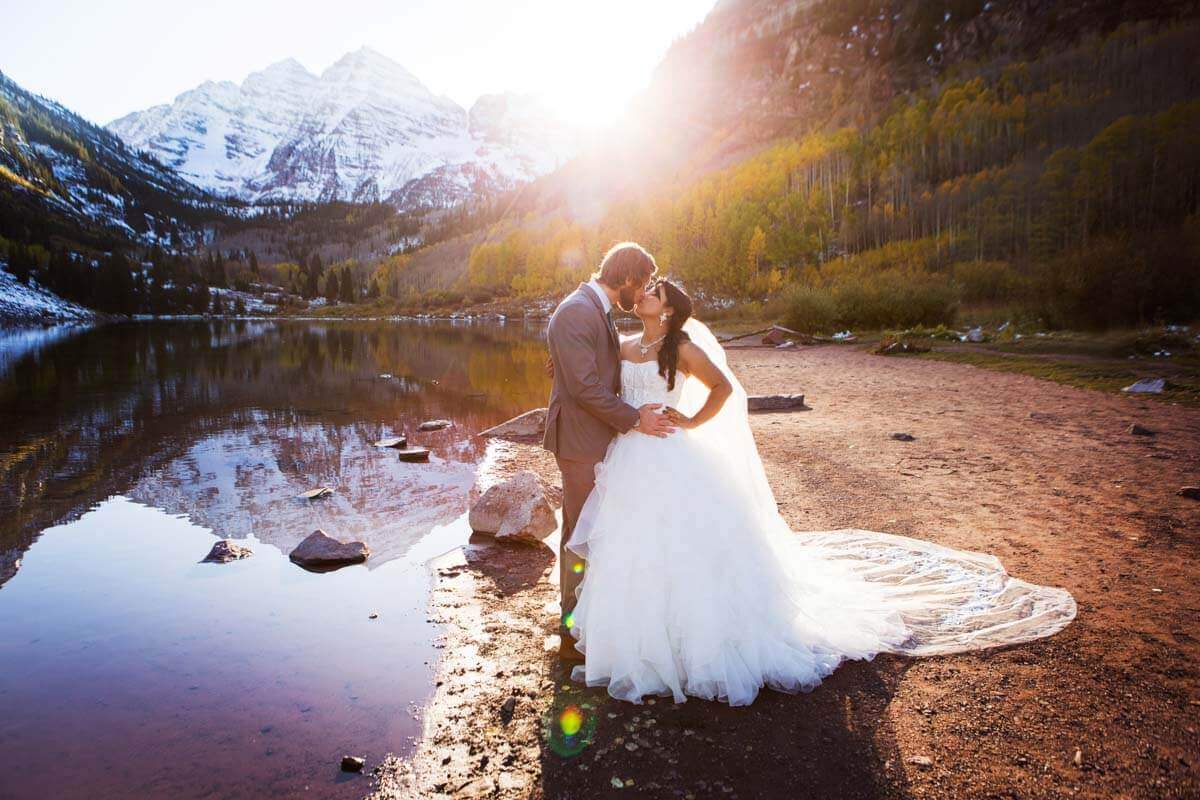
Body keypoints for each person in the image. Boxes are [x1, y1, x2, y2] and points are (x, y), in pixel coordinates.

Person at [561, 272, 1077, 707]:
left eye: (655, 290)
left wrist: (692, 422)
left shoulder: (685, 349)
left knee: (688, 549)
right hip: (630, 459)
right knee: (634, 549)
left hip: (672, 455)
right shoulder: (625, 345)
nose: (645, 292)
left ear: (669, 310)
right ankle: (640, 643)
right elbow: (595, 380)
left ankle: (692, 648)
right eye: (647, 287)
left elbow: (723, 389)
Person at [543, 242, 676, 662]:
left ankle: (591, 619)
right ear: (626, 276)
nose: (641, 295)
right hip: (580, 440)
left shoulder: (595, 309)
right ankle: (571, 630)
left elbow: (590, 371)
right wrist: (636, 418)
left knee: (597, 530)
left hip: (597, 436)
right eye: (641, 285)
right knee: (579, 533)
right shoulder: (577, 310)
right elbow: (583, 388)